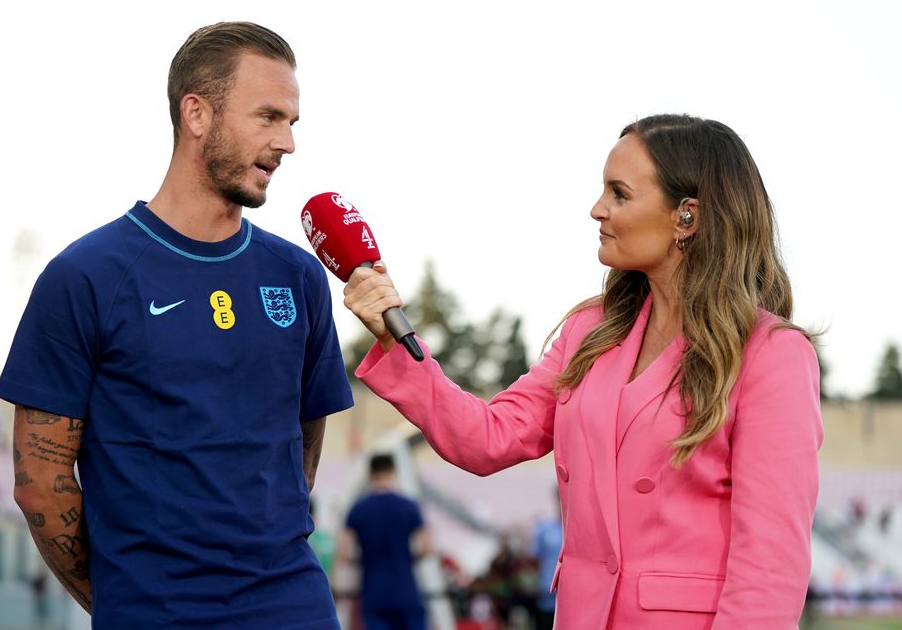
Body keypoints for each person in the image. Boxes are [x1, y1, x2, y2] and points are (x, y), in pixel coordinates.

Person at [343, 114, 823, 629]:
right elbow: (487, 438)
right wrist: (396, 341)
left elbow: (769, 569)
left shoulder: (771, 354)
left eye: (619, 194)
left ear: (688, 216)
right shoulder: (588, 332)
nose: (597, 210)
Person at [0, 22, 354, 628]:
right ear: (196, 114)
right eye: (268, 117)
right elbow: (41, 483)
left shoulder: (298, 276)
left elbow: (303, 447)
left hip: (294, 607)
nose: (287, 142)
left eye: (292, 122)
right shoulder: (85, 276)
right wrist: (123, 598)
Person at [339, 453, 431, 630]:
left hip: (373, 591)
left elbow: (345, 553)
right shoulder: (409, 506)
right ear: (393, 471)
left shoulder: (358, 509)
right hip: (406, 590)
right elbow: (427, 547)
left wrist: (365, 560)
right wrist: (406, 559)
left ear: (371, 473)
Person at [530, 493, 563, 630]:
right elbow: (534, 561)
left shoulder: (583, 528)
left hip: (575, 601)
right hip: (546, 599)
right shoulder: (545, 529)